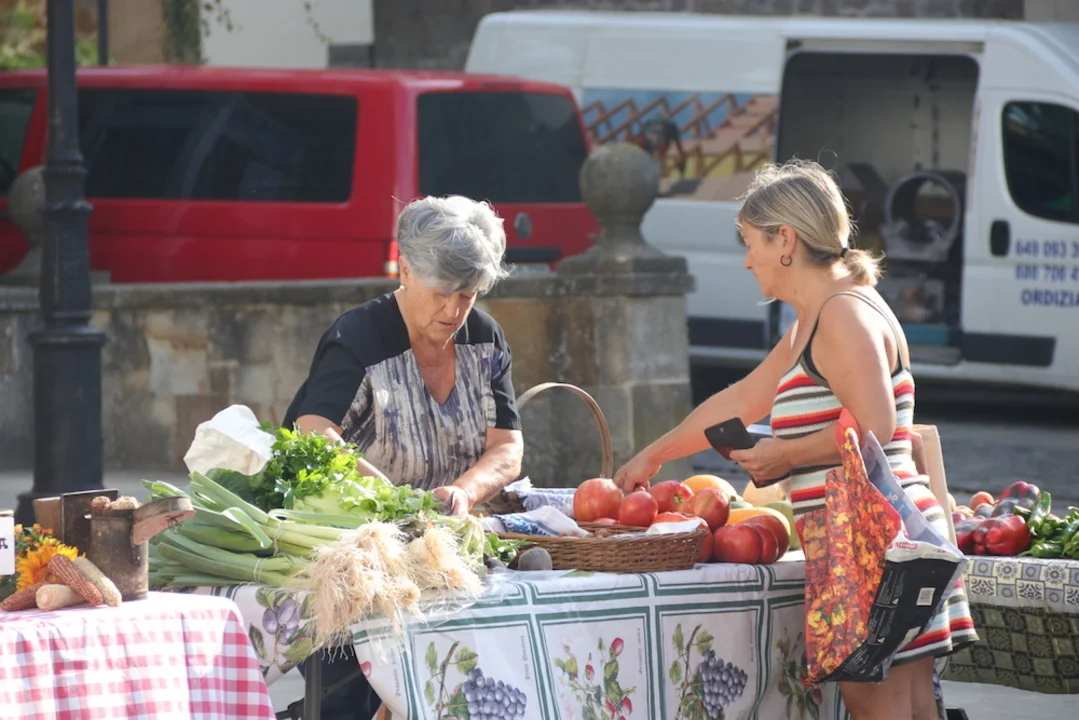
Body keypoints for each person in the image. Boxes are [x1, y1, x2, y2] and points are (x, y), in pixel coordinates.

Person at [614, 159, 977, 720]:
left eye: (750, 242)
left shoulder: (840, 315)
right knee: (912, 708)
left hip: (870, 538)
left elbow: (874, 426)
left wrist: (784, 454)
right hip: (889, 534)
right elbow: (740, 400)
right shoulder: (820, 316)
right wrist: (653, 455)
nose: (747, 260)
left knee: (879, 708)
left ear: (785, 240)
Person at [283, 195, 525, 720]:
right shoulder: (358, 337)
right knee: (354, 703)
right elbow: (313, 432)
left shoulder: (485, 339)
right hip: (354, 561)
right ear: (406, 269)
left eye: (467, 295)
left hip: (445, 556)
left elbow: (507, 447)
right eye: (441, 293)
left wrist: (462, 492)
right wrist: (395, 502)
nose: (453, 311)